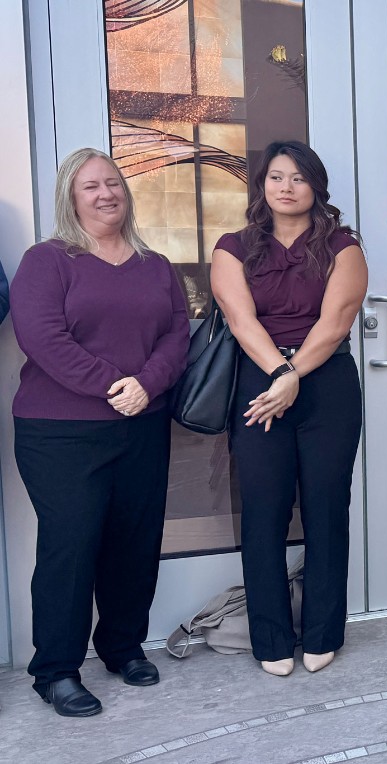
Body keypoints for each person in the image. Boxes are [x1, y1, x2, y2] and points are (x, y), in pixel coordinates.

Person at [10, 148, 189, 717]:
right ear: (70, 196)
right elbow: (42, 337)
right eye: (91, 186)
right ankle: (56, 670)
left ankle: (121, 647)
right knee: (72, 545)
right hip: (60, 431)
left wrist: (148, 384)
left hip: (142, 425)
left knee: (134, 541)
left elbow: (178, 335)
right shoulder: (47, 260)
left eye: (113, 183)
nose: (106, 193)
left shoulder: (156, 264)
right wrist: (119, 385)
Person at [211, 140, 366, 677]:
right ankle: (271, 637)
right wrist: (278, 375)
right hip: (260, 383)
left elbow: (336, 321)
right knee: (263, 513)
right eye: (276, 177)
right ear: (262, 186)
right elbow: (239, 319)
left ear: (315, 187)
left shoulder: (343, 246)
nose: (285, 187)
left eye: (297, 178)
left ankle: (323, 632)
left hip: (326, 386)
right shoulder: (233, 247)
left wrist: (294, 374)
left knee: (326, 510)